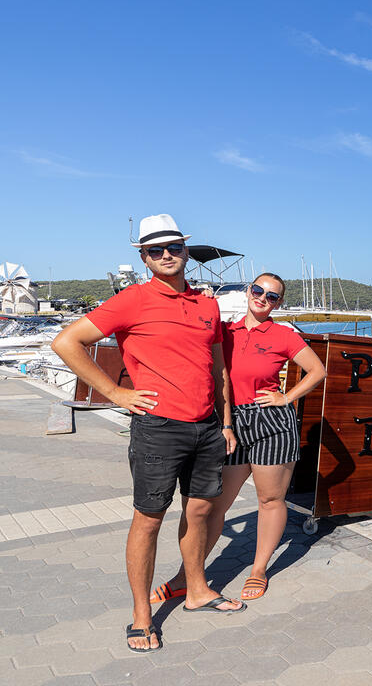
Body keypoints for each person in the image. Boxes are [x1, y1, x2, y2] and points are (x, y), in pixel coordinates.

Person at [52, 214, 244, 655]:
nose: (166, 255)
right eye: (155, 250)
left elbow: (218, 367)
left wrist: (227, 422)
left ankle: (196, 590)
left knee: (199, 511)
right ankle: (142, 614)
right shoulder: (132, 301)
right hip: (158, 428)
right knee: (149, 519)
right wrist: (116, 392)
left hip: (207, 426)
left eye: (173, 247)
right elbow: (66, 342)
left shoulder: (207, 305)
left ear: (185, 250)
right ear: (144, 257)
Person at [150, 273, 326, 603]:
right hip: (230, 422)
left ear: (278, 304)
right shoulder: (224, 331)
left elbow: (318, 370)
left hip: (271, 423)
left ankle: (259, 569)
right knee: (217, 504)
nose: (262, 298)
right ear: (248, 291)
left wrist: (286, 397)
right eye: (258, 290)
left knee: (269, 500)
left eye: (271, 296)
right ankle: (187, 576)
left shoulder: (284, 335)